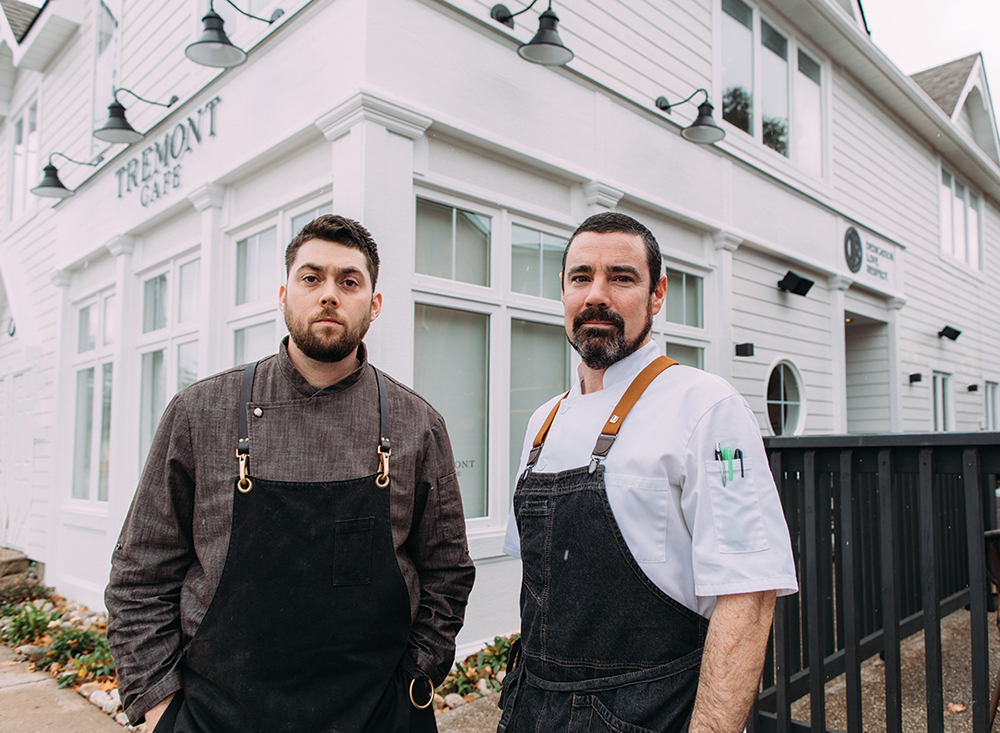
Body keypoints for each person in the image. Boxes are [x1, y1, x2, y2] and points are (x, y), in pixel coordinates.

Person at [106, 215, 475, 733]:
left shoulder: (417, 424)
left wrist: (416, 678)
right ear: (283, 295)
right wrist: (159, 711)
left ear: (374, 305)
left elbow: (448, 572)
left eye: (349, 281)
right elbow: (139, 575)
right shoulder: (200, 412)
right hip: (218, 717)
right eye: (311, 278)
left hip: (377, 714)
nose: (329, 294)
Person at [498, 212, 797, 733]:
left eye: (621, 277)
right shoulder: (542, 423)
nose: (596, 295)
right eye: (580, 277)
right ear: (563, 293)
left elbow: (748, 597)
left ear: (657, 295)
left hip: (653, 714)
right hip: (535, 711)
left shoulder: (708, 408)